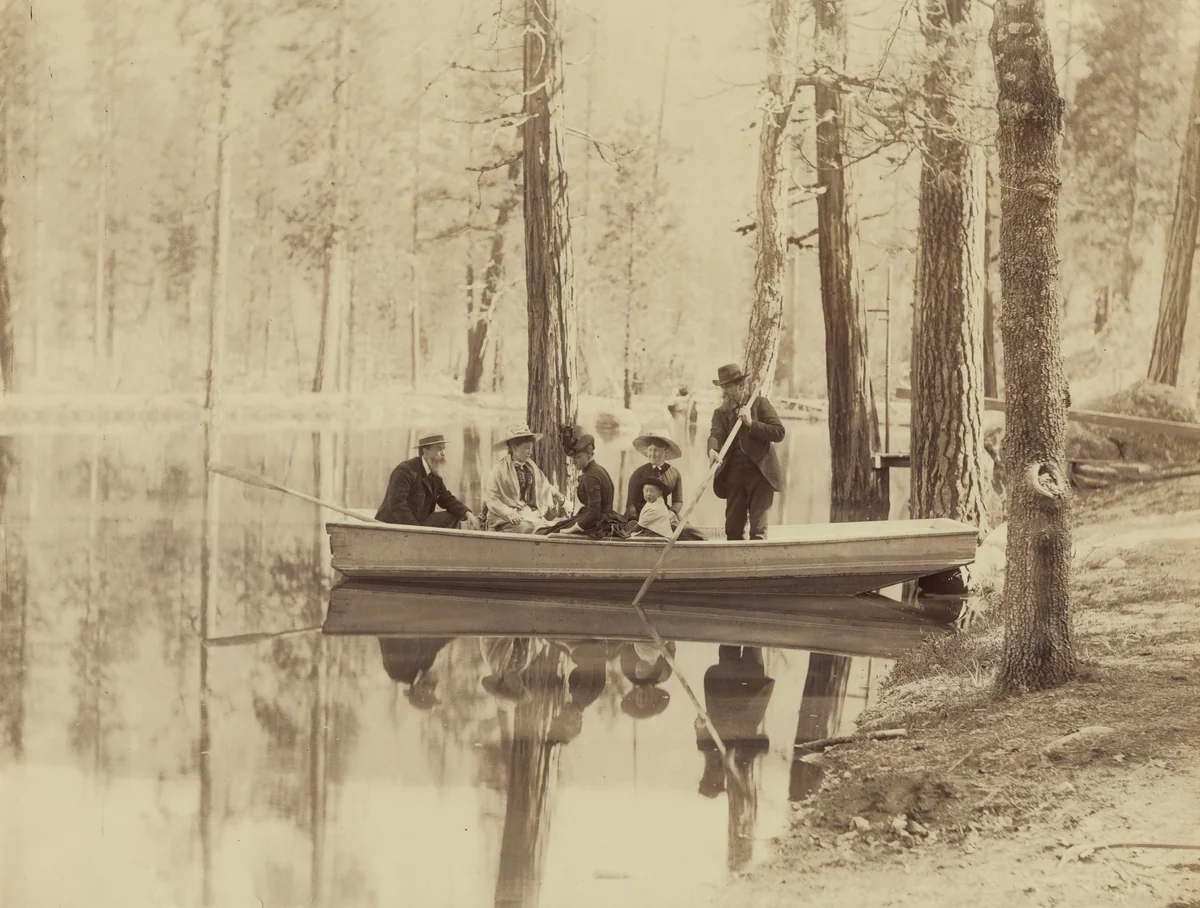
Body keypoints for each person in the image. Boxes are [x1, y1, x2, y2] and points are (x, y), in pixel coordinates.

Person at [706, 363, 785, 540]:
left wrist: (751, 423)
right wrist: (712, 450)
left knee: (758, 531)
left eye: (728, 387)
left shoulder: (759, 404)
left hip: (761, 474)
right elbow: (715, 435)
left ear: (741, 386)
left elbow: (779, 432)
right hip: (735, 476)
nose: (724, 392)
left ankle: (756, 565)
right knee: (732, 530)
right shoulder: (720, 413)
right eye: (722, 387)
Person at [375, 433, 482, 529]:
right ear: (426, 451)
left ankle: (445, 550)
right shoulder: (405, 470)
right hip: (393, 525)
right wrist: (417, 531)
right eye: (439, 449)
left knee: (453, 516)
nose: (444, 453)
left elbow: (446, 498)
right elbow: (398, 505)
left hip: (418, 524)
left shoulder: (435, 473)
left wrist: (467, 513)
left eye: (444, 449)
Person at [540, 432, 628, 539]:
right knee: (555, 527)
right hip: (604, 518)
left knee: (554, 533)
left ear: (589, 454)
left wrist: (573, 529)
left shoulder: (591, 476)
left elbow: (594, 513)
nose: (573, 462)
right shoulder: (598, 470)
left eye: (577, 457)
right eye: (572, 458)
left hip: (598, 523)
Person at [485, 423, 567, 533]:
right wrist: (508, 512)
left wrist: (558, 496)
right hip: (503, 517)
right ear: (514, 448)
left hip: (525, 513)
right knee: (527, 527)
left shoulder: (531, 467)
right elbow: (492, 498)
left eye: (531, 448)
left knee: (553, 525)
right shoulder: (499, 469)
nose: (530, 452)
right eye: (526, 448)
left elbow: (544, 485)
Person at [377, 636, 453, 711]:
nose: (432, 688)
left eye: (428, 693)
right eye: (432, 690)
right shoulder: (426, 664)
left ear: (416, 692)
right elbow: (438, 642)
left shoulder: (396, 672)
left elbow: (392, 638)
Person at [625, 428, 684, 523]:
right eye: (650, 450)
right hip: (640, 514)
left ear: (665, 452)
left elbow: (678, 501)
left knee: (690, 533)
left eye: (656, 450)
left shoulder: (674, 473)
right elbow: (631, 503)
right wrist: (633, 519)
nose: (652, 454)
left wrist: (672, 512)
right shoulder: (639, 473)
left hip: (664, 513)